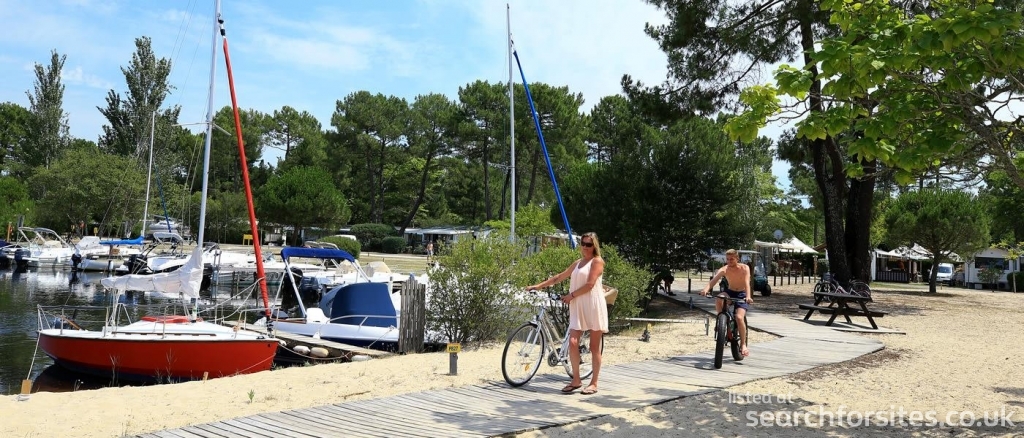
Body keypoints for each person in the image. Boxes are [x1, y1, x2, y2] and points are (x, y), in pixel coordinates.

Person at [526, 232, 608, 395]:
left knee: (594, 347)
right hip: (577, 305)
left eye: (589, 244)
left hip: (593, 304)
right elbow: (559, 277)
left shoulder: (597, 261)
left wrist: (571, 296)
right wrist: (538, 286)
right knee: (572, 342)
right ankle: (576, 380)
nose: (585, 247)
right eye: (583, 244)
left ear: (594, 246)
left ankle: (594, 383)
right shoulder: (578, 263)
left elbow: (590, 284)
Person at [701, 249, 753, 357]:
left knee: (739, 317)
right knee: (719, 298)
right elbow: (713, 281)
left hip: (742, 294)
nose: (729, 261)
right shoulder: (724, 269)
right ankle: (721, 320)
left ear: (737, 258)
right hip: (730, 292)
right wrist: (705, 290)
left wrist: (748, 296)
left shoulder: (745, 268)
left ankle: (743, 344)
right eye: (727, 259)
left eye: (732, 259)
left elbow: (747, 283)